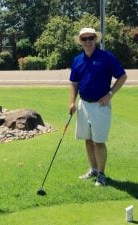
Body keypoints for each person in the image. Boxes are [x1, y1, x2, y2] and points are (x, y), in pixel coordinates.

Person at [69, 27, 127, 186]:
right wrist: (72, 102)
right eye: (84, 39)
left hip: (100, 106)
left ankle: (101, 174)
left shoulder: (106, 57)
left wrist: (110, 94)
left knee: (98, 141)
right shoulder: (77, 60)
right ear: (80, 41)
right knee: (87, 140)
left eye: (91, 38)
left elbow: (122, 76)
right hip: (83, 105)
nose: (88, 41)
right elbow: (74, 83)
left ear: (96, 39)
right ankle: (93, 169)